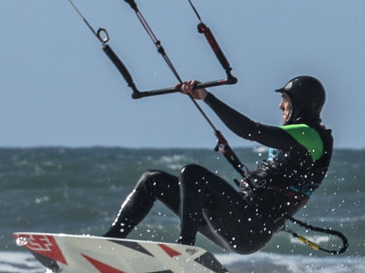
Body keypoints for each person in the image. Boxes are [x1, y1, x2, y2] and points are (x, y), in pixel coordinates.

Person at [103, 75, 333, 254]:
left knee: (194, 174)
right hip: (236, 221)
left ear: (301, 104)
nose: (280, 106)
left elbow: (250, 130)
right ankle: (108, 244)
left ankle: (185, 249)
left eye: (285, 99)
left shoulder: (310, 136)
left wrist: (207, 97)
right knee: (152, 180)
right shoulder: (295, 138)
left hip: (251, 229)